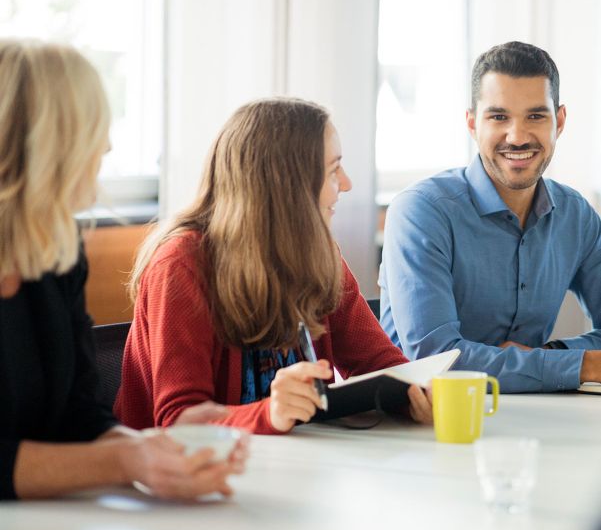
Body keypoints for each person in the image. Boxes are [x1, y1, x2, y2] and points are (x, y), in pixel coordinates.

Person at [0, 39, 246, 501]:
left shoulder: (56, 248)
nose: (107, 144)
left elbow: (80, 412)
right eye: (93, 128)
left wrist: (155, 447)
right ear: (43, 142)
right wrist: (128, 459)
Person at [114, 97, 433, 434]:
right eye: (332, 170)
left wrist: (416, 396)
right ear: (286, 184)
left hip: (289, 464)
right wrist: (269, 414)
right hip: (180, 475)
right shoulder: (181, 265)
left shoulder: (318, 250)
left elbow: (379, 364)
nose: (347, 183)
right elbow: (179, 418)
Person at [379, 41, 601, 393]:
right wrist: (583, 363)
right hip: (421, 428)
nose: (517, 136)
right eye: (499, 117)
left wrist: (554, 353)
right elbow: (436, 359)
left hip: (536, 420)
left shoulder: (577, 216)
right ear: (472, 123)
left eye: (535, 116)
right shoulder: (422, 211)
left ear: (559, 122)